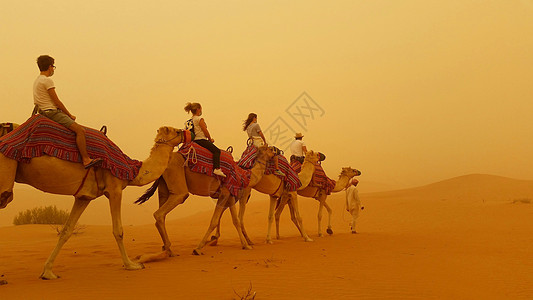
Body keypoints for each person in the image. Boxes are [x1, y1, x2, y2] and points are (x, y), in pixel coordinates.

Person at [33, 55, 102, 169]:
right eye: (53, 67)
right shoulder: (47, 81)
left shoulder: (37, 80)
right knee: (80, 131)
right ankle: (86, 159)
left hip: (42, 112)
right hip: (51, 112)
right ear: (50, 67)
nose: (53, 70)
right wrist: (69, 115)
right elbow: (57, 101)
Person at [184, 102, 226, 177]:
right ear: (198, 109)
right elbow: (205, 130)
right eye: (200, 109)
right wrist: (210, 139)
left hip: (194, 141)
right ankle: (216, 168)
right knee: (217, 151)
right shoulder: (199, 119)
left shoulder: (189, 121)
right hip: (201, 140)